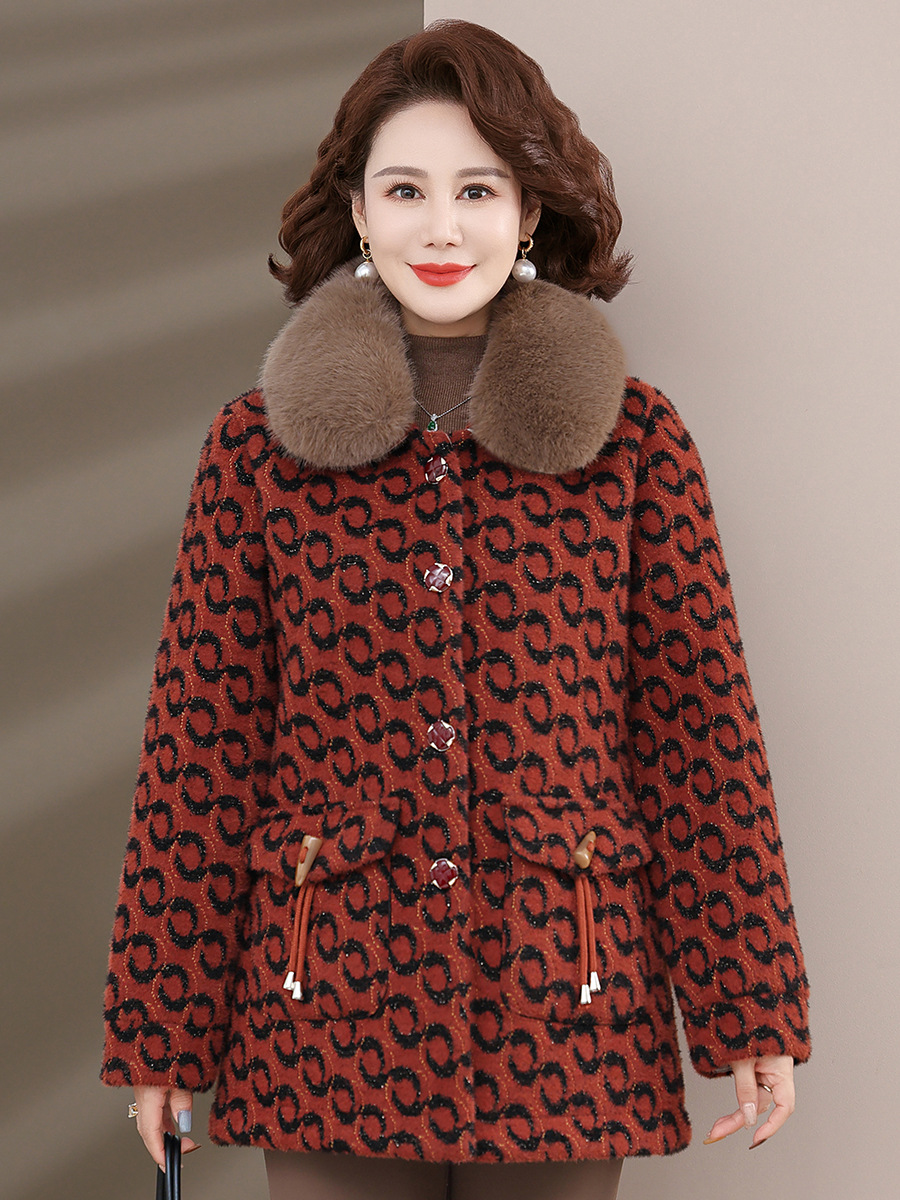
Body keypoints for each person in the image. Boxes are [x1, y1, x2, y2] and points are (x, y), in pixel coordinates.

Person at [101, 20, 810, 1200]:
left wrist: (750, 1004)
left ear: (529, 212)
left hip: (563, 1004)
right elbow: (201, 751)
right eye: (406, 190)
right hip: (325, 1005)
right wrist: (160, 1032)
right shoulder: (258, 449)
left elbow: (698, 738)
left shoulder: (632, 441)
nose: (442, 228)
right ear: (358, 212)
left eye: (478, 189)